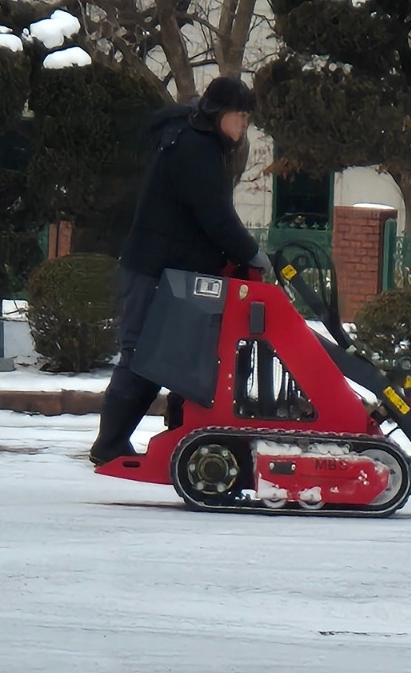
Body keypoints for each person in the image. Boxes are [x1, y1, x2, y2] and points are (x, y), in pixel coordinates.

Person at [90, 76, 272, 466]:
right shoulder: (194, 148)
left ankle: (177, 440)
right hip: (154, 270)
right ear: (219, 114)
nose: (243, 124)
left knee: (177, 358)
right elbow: (214, 214)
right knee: (142, 355)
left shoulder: (199, 143)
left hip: (172, 270)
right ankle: (109, 445)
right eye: (240, 116)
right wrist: (251, 253)